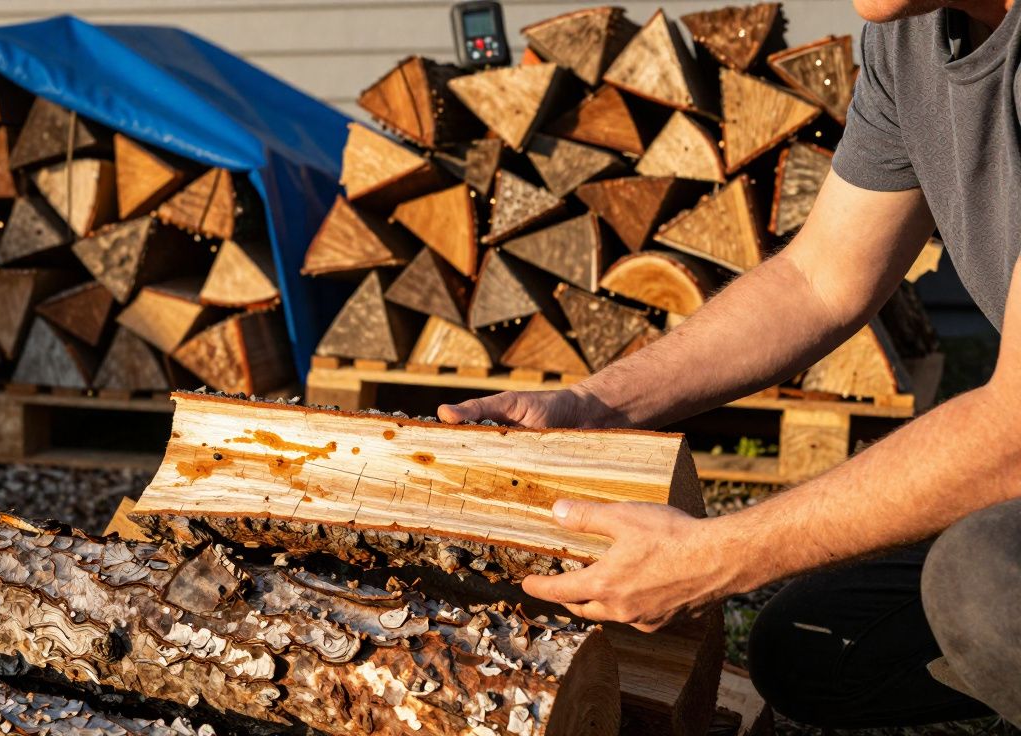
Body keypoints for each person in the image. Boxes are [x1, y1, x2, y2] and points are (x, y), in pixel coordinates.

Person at [437, 0, 1021, 726]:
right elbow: (820, 280)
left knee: (987, 591)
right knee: (815, 651)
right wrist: (594, 406)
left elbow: (1011, 435)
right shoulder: (908, 41)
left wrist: (712, 556)